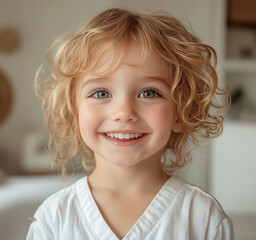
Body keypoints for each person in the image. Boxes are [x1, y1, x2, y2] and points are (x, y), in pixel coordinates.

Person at [27, 8, 233, 240]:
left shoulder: (203, 218)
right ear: (75, 110)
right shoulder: (54, 219)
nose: (124, 113)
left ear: (180, 111)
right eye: (101, 93)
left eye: (148, 93)